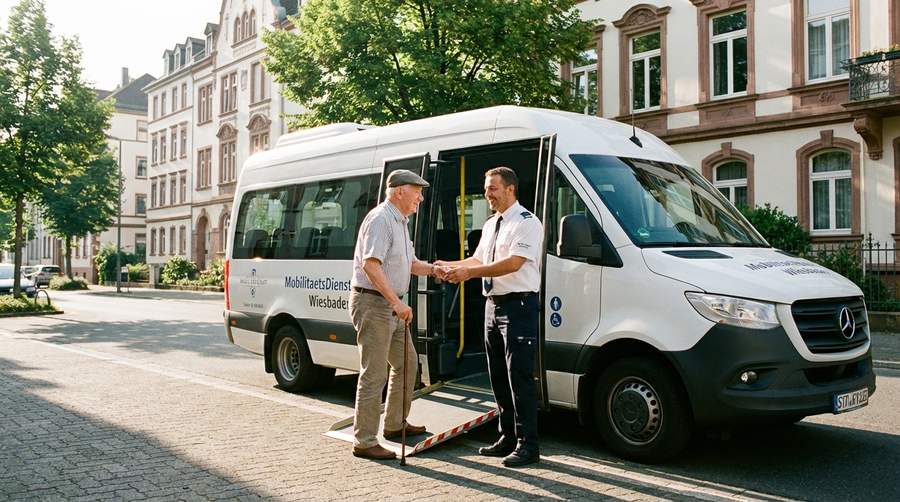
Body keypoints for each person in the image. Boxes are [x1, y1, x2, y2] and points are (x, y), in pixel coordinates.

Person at [436, 166, 543, 467]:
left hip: (518, 307)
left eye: (492, 188)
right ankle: (507, 437)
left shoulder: (526, 223)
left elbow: (514, 263)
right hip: (492, 306)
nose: (487, 194)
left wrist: (469, 272)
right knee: (498, 376)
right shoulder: (492, 223)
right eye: (486, 188)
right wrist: (450, 265)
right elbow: (480, 259)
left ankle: (528, 445)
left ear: (510, 189)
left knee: (519, 377)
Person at [349, 169, 440, 460]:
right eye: (417, 191)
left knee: (408, 365)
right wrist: (396, 303)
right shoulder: (381, 219)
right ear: (400, 191)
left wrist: (436, 270)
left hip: (390, 307)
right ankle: (363, 441)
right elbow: (371, 265)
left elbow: (409, 262)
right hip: (375, 305)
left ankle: (393, 424)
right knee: (374, 375)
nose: (421, 198)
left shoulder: (400, 222)